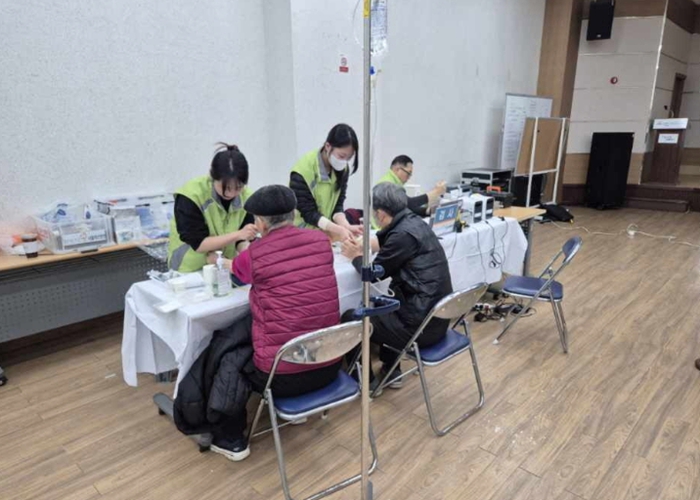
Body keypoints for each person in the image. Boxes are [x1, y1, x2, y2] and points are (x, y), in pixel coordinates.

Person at [214, 185, 342, 461]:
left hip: (283, 379)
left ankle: (231, 438)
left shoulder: (255, 254)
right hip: (330, 364)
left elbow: (239, 271)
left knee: (230, 358)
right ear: (293, 214)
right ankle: (299, 413)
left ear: (260, 222)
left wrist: (224, 260)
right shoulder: (321, 241)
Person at [342, 182, 453, 391]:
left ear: (380, 214)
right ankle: (392, 370)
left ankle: (366, 382)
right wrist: (365, 243)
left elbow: (372, 275)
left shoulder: (402, 235)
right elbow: (389, 240)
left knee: (352, 317)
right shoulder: (414, 222)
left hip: (421, 329)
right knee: (388, 304)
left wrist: (355, 256)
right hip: (438, 318)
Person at [168, 143, 258, 272]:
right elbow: (199, 244)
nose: (231, 193)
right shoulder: (191, 195)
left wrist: (246, 251)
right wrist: (238, 235)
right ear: (213, 177)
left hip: (222, 267)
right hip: (189, 269)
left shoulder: (247, 197)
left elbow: (242, 237)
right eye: (226, 187)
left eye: (238, 187)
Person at [290, 124, 363, 242]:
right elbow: (309, 213)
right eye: (342, 156)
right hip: (301, 235)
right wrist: (338, 229)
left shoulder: (342, 169)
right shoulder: (303, 171)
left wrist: (346, 226)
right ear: (328, 146)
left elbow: (338, 205)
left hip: (324, 232)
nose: (344, 162)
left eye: (348, 158)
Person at [376, 155, 447, 217]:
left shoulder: (393, 181)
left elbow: (405, 207)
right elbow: (409, 203)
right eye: (408, 173)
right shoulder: (387, 184)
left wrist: (428, 211)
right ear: (397, 169)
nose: (409, 177)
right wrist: (435, 192)